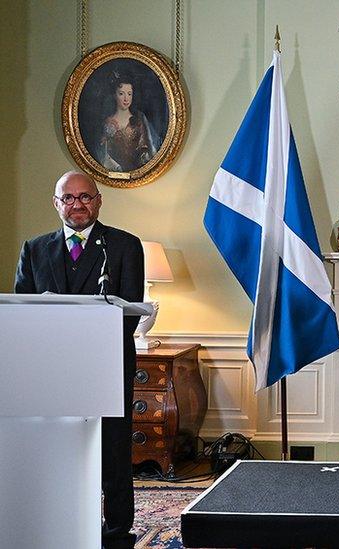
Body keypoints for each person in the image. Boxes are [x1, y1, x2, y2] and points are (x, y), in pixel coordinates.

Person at [15, 170, 144, 549]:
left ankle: (117, 532)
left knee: (113, 452)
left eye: (84, 197)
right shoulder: (35, 249)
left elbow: (130, 313)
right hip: (53, 374)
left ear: (98, 200)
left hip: (107, 366)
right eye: (68, 198)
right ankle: (63, 524)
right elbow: (23, 311)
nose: (77, 205)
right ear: (57, 204)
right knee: (61, 453)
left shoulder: (123, 246)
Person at [99, 72, 159, 172]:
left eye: (129, 94)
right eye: (121, 94)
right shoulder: (108, 122)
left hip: (138, 173)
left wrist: (145, 159)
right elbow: (103, 154)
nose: (126, 99)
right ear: (115, 95)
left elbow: (147, 146)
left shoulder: (139, 118)